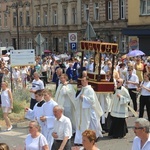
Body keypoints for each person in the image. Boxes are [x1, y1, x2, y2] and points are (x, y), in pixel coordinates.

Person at [74, 77, 103, 145]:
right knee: (81, 124)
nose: (82, 82)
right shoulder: (82, 89)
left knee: (91, 124)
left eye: (83, 81)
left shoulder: (90, 89)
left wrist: (84, 97)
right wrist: (78, 92)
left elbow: (92, 100)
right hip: (82, 110)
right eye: (81, 81)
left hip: (88, 110)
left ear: (87, 81)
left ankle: (93, 137)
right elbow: (77, 98)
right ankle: (79, 140)